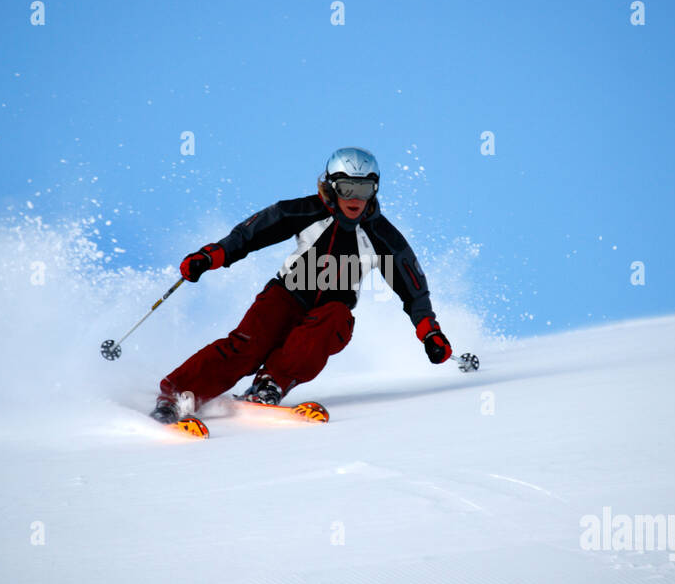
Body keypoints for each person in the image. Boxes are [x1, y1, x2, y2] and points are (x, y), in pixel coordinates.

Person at [151, 146, 452, 420]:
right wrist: (210, 256)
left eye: (365, 189)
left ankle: (270, 386)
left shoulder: (383, 237)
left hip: (330, 313)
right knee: (246, 347)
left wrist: (429, 332)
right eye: (348, 188)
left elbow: (414, 289)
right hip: (285, 297)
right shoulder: (305, 211)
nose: (356, 199)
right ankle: (178, 395)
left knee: (334, 319)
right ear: (333, 186)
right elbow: (250, 234)